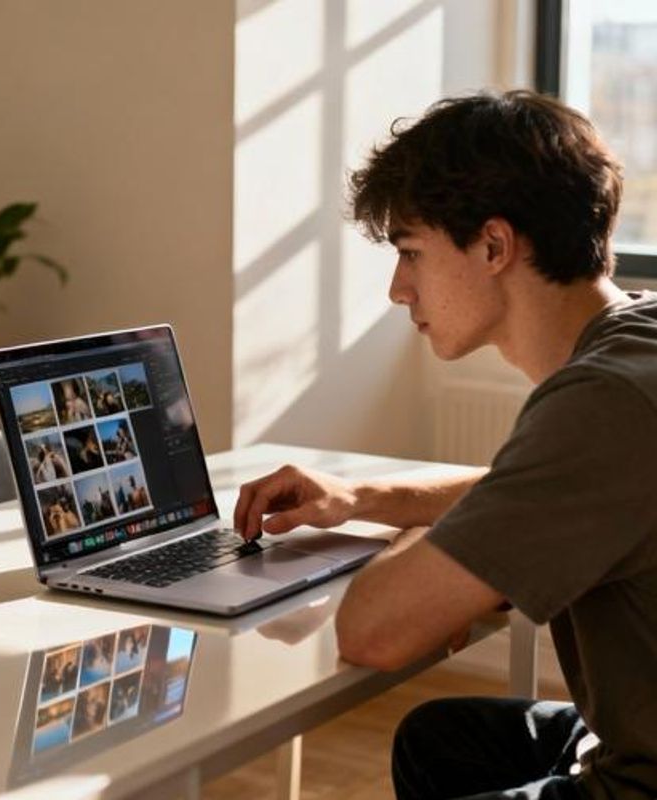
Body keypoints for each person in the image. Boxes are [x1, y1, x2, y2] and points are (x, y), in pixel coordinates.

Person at [234, 90, 657, 799]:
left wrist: (433, 558)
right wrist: (364, 498)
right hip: (623, 733)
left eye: (410, 253)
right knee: (440, 740)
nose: (398, 289)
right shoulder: (636, 344)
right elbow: (534, 494)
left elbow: (373, 631)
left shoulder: (604, 403)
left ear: (494, 246)